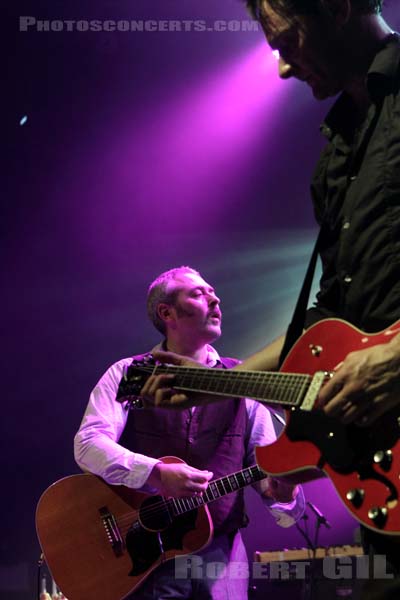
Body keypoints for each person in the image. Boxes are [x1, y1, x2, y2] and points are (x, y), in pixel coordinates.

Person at [140, 0, 400, 591]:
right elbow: (326, 323)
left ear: (337, 8)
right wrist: (203, 381)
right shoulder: (336, 155)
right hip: (385, 483)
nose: (282, 68)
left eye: (289, 40)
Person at [74, 266, 305, 599]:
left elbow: (270, 476)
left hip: (222, 555)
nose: (215, 298)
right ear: (166, 312)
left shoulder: (241, 380)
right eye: (198, 293)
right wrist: (155, 472)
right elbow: (88, 444)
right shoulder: (129, 373)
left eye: (213, 291)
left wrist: (285, 495)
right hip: (146, 552)